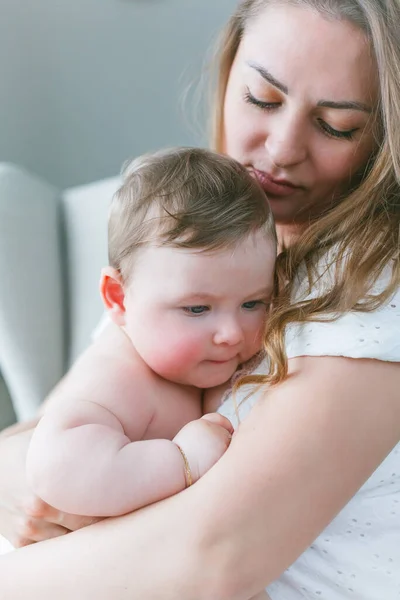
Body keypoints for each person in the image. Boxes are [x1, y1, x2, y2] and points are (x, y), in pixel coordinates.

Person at [0, 0, 399, 598]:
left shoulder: (374, 290)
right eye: (262, 99)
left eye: (336, 125)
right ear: (228, 72)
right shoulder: (197, 235)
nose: (283, 147)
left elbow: (215, 558)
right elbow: (57, 421)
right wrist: (37, 477)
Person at [25, 147, 276, 518]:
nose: (232, 333)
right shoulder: (118, 378)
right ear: (119, 298)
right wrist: (181, 461)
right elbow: (56, 465)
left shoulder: (179, 362)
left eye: (253, 304)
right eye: (196, 308)